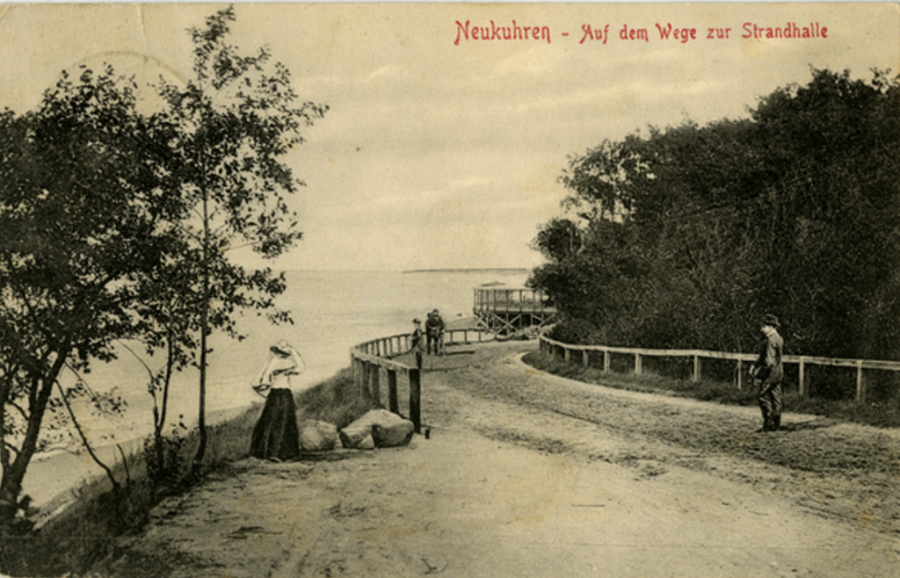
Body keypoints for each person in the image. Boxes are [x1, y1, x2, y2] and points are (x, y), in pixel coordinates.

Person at [750, 314, 784, 432]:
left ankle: (768, 423)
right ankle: (776, 423)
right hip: (779, 371)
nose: (761, 329)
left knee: (763, 396)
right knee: (776, 396)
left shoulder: (769, 340)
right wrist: (755, 364)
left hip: (770, 372)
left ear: (770, 326)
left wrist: (759, 371)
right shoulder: (778, 338)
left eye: (763, 326)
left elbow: (769, 361)